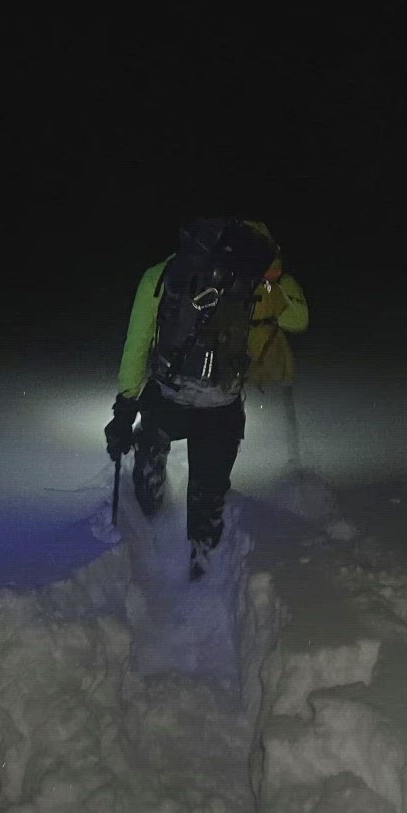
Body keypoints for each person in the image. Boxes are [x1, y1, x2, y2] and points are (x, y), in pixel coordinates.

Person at [104, 217, 309, 579]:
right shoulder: (256, 281)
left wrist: (124, 407)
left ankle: (148, 502)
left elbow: (137, 345)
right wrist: (279, 280)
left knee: (152, 434)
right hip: (222, 406)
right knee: (208, 494)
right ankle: (203, 571)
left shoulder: (161, 274)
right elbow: (298, 320)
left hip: (168, 396)